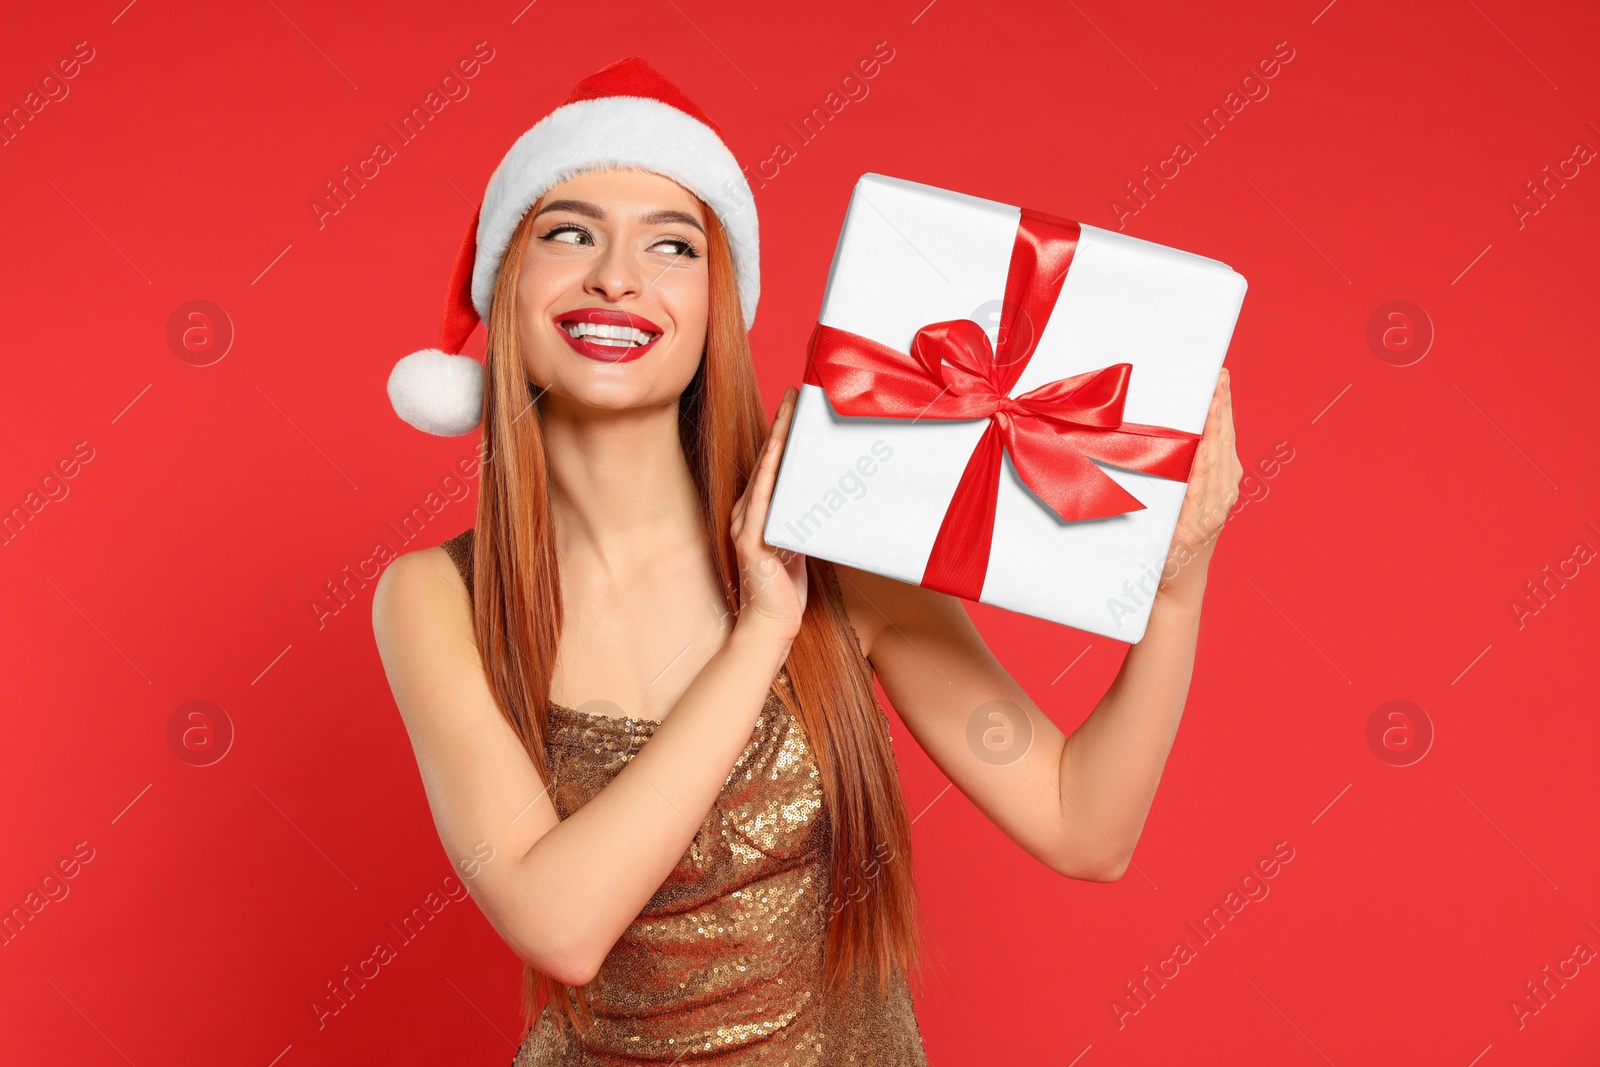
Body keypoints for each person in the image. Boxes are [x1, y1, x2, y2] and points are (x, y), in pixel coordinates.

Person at [371, 57, 1240, 1066]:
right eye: (568, 233)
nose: (617, 274)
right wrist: (759, 635)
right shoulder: (435, 598)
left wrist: (1175, 591)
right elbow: (560, 923)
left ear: (714, 307)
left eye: (671, 244)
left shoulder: (842, 538)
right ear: (506, 284)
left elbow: (1083, 825)